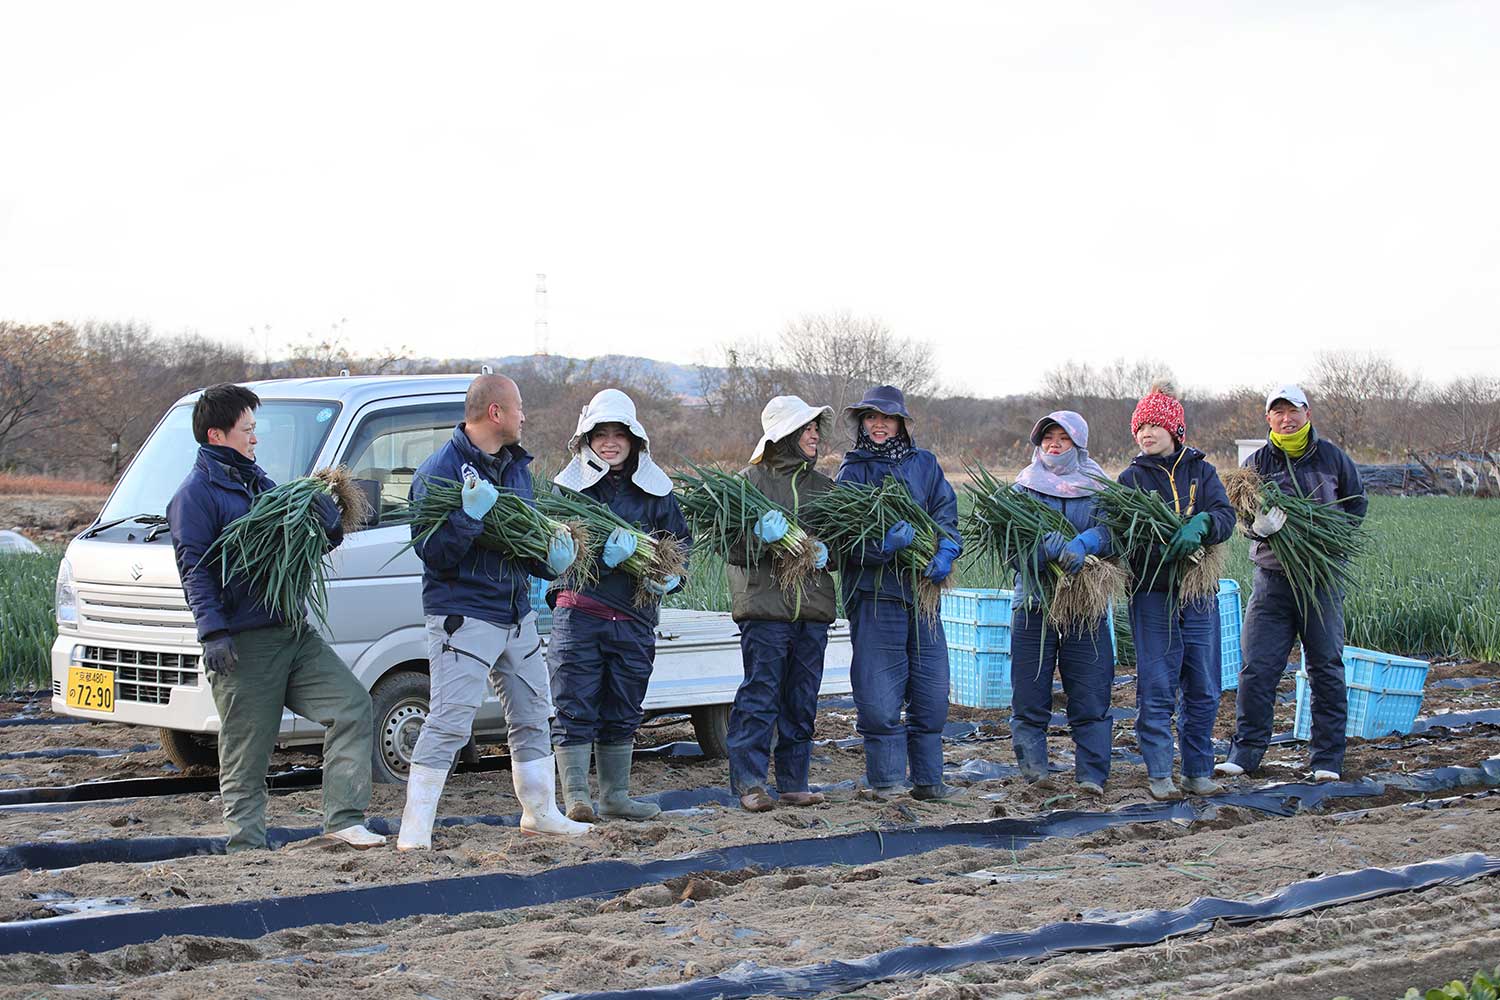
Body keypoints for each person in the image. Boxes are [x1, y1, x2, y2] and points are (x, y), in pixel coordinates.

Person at [167, 383, 385, 853]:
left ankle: (344, 822)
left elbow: (301, 545)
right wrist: (214, 633)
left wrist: (328, 524)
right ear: (216, 434)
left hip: (291, 631)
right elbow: (196, 572)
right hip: (244, 643)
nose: (254, 438)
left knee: (351, 706)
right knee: (248, 754)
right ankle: (246, 848)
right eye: (247, 429)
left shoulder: (259, 483)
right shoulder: (195, 496)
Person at [396, 374, 587, 848]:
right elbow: (432, 551)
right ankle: (414, 832)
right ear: (496, 413)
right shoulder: (439, 471)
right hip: (464, 615)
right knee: (449, 721)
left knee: (533, 713)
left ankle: (540, 812)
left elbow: (521, 543)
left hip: (515, 612)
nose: (525, 416)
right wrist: (468, 517)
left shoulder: (515, 467)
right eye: (519, 407)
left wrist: (549, 558)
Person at [548, 389, 691, 823]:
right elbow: (551, 546)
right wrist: (592, 557)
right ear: (586, 439)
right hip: (581, 612)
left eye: (618, 435)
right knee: (575, 704)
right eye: (600, 434)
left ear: (635, 440)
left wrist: (670, 578)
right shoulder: (567, 488)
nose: (609, 443)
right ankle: (576, 797)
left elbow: (680, 548)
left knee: (623, 707)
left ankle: (615, 797)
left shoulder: (657, 491)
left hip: (633, 616)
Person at [1217, 384, 1367, 782]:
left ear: (1307, 413)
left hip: (1320, 578)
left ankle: (1327, 760)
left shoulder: (1332, 457)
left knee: (1326, 667)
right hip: (1272, 578)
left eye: (1293, 411)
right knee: (1257, 668)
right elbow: (1242, 516)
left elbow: (1357, 504)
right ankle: (1245, 754)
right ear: (1268, 419)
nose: (1286, 419)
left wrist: (1329, 536)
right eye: (1278, 412)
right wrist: (1256, 528)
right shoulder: (1256, 464)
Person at [835, 385, 963, 801]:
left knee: (931, 693)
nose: (877, 425)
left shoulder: (924, 465)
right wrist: (880, 547)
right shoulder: (852, 472)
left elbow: (946, 514)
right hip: (875, 597)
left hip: (923, 595)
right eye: (870, 418)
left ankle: (928, 782)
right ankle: (887, 783)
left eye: (886, 418)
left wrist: (945, 548)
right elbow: (840, 543)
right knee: (878, 697)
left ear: (901, 424)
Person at [1117, 382, 1236, 800]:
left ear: (1174, 429)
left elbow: (1225, 515)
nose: (1146, 433)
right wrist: (1160, 551)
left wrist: (1202, 524)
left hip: (1199, 593)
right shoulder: (1130, 479)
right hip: (1153, 594)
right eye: (1140, 426)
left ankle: (1199, 770)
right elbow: (1121, 537)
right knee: (1157, 684)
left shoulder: (1201, 472)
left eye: (1154, 425)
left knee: (1203, 684)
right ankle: (1160, 774)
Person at [724, 396, 838, 812]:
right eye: (806, 428)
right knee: (761, 694)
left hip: (813, 609)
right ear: (784, 435)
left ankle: (793, 782)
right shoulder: (746, 484)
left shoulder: (826, 489)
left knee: (802, 699)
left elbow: (845, 550)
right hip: (765, 609)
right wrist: (762, 538)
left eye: (815, 428)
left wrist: (830, 553)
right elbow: (731, 548)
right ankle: (751, 784)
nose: (814, 435)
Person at [1009, 410, 1115, 796]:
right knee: (1030, 695)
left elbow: (1118, 535)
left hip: (1085, 605)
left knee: (1090, 695)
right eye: (1047, 437)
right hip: (1034, 603)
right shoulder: (1023, 487)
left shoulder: (1100, 487)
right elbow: (1007, 546)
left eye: (1063, 438)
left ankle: (1091, 776)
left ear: (1079, 444)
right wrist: (1038, 551)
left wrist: (1090, 542)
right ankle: (1035, 775)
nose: (1054, 444)